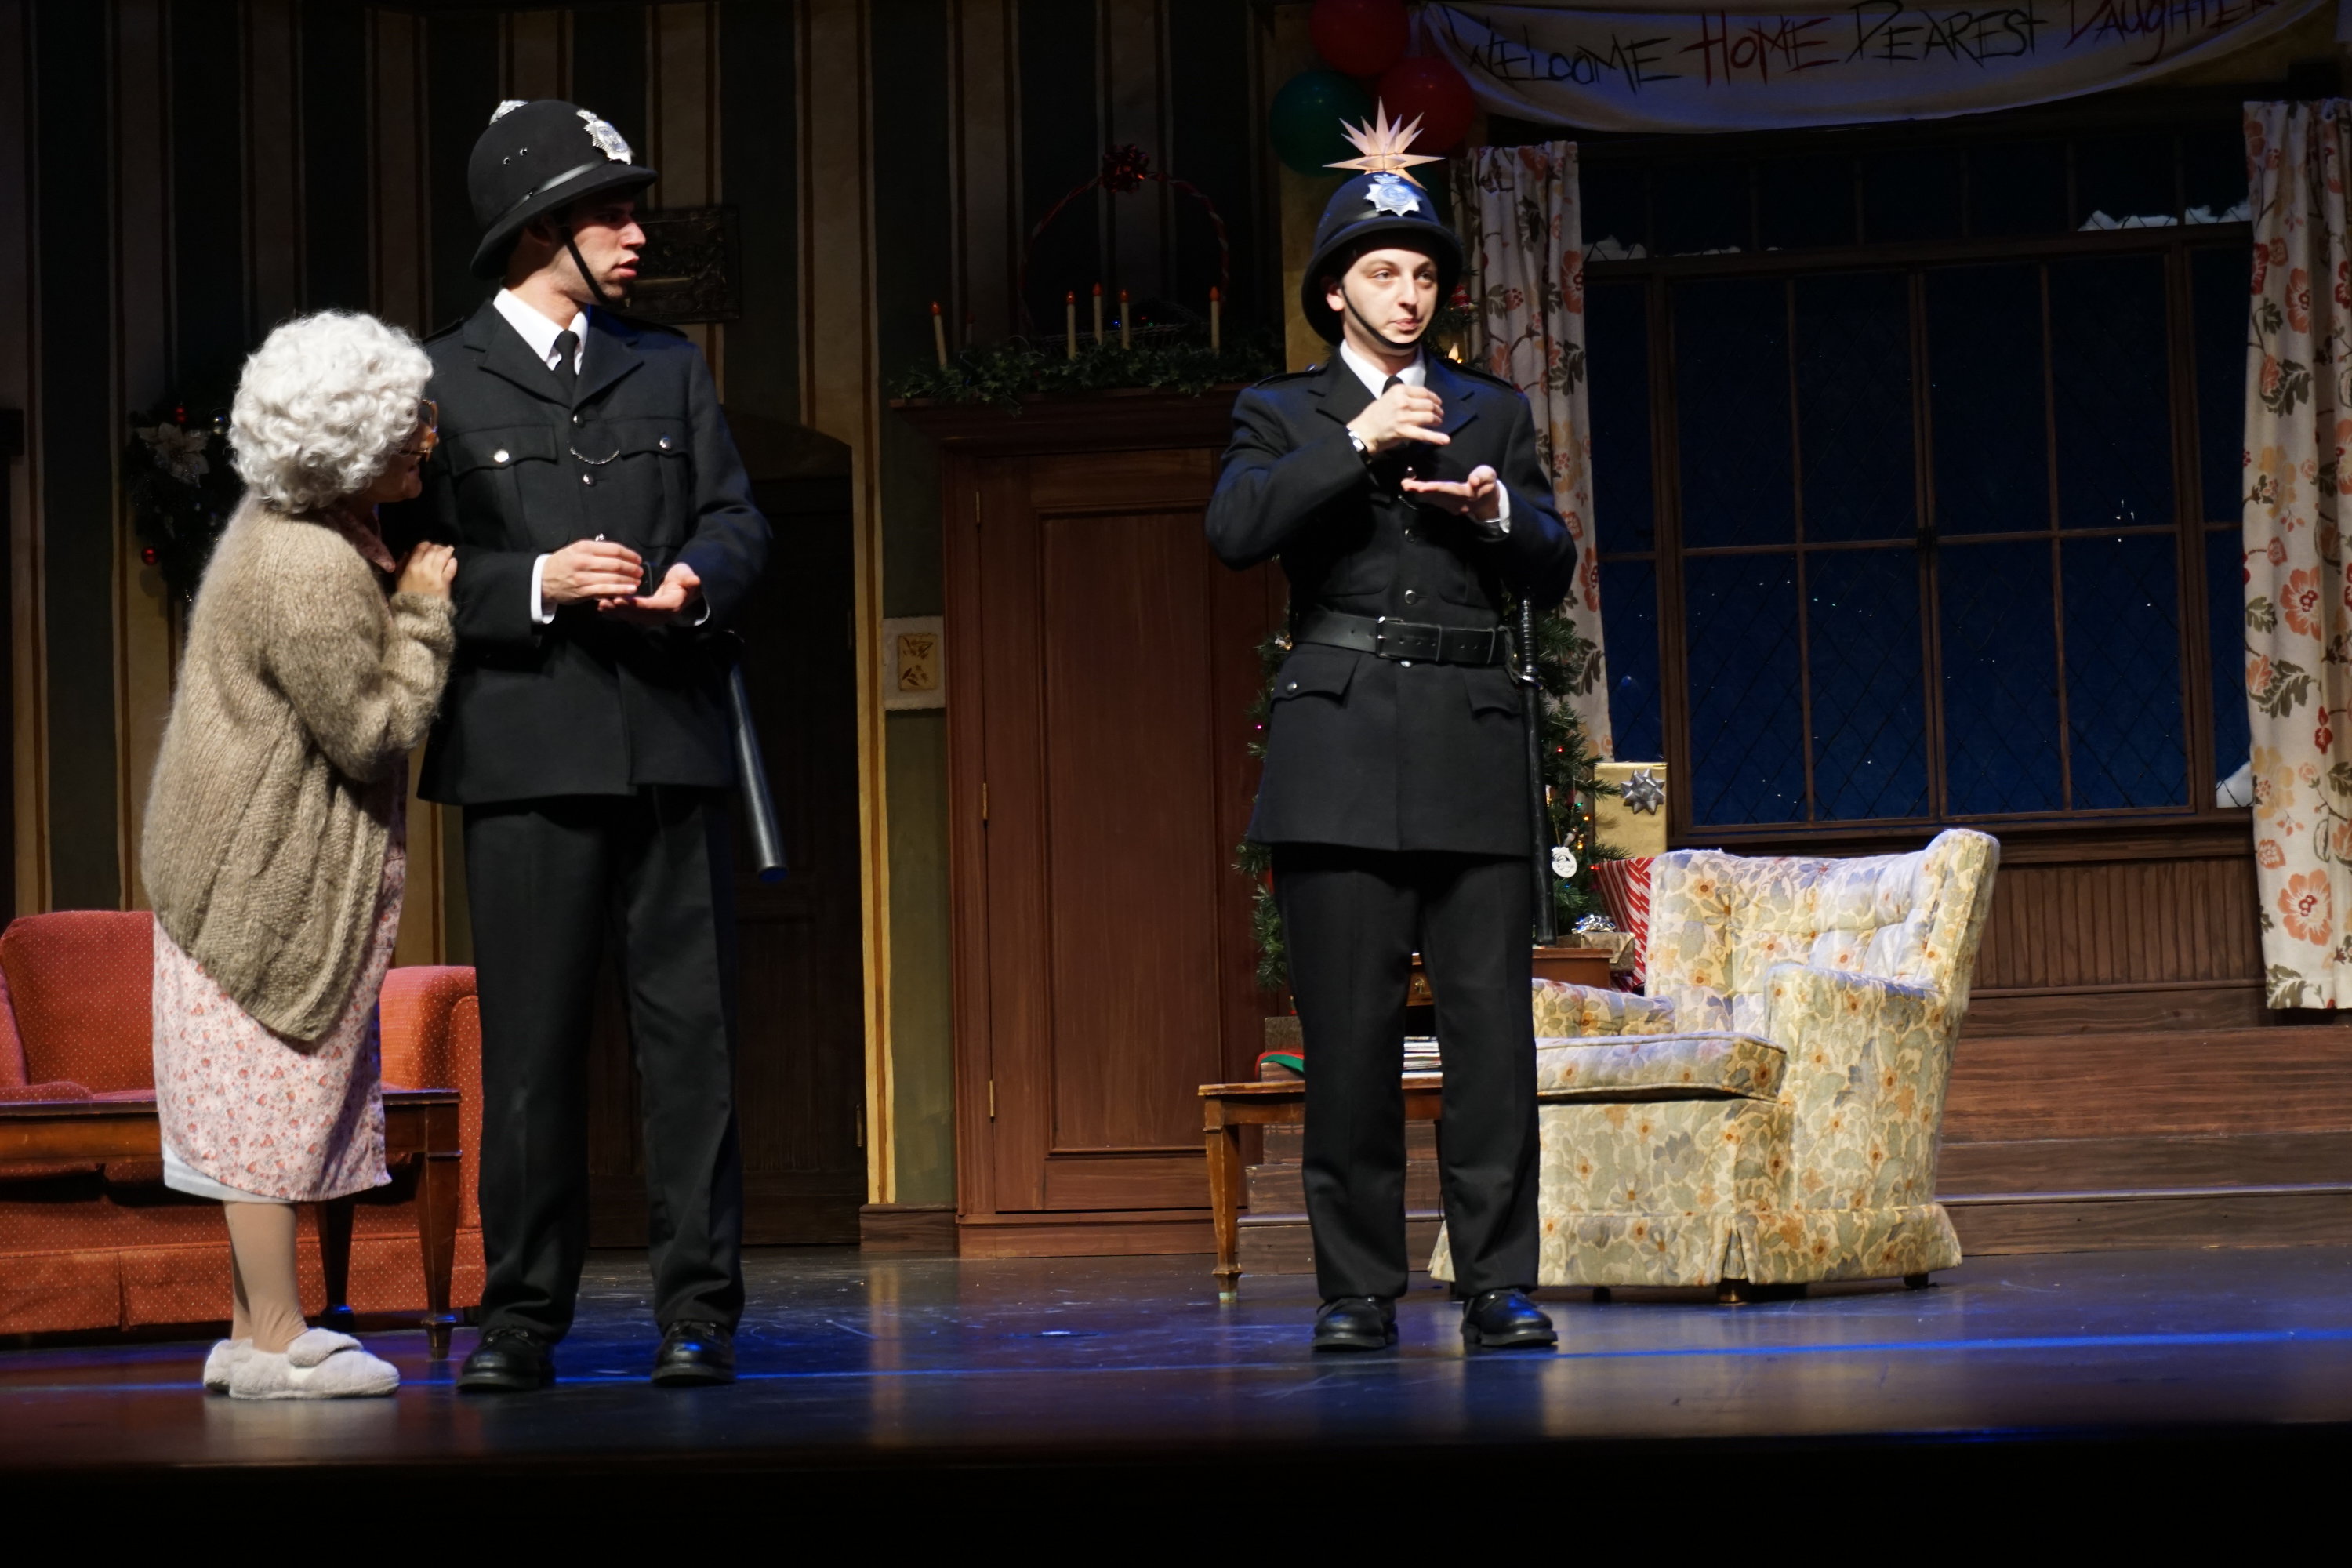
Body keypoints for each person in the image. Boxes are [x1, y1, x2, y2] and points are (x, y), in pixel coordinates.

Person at [393, 99, 770, 1392]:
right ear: (533, 224)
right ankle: (520, 1318)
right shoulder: (436, 379)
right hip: (525, 748)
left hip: (669, 737)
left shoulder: (667, 367)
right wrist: (538, 582)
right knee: (533, 1054)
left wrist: (695, 580)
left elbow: (736, 518)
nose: (635, 232)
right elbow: (407, 562)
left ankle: (699, 1312)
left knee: (692, 1047)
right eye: (608, 211)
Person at [1203, 149, 1574, 1352]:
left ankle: (1497, 1282)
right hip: (1341, 744)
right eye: (1382, 274)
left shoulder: (1491, 409)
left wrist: (1499, 512)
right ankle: (1356, 1292)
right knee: (1352, 1040)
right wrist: (1357, 440)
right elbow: (1235, 529)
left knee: (1489, 1036)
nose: (1408, 295)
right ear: (1335, 292)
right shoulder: (1282, 412)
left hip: (1472, 737)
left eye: (1422, 274)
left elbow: (1554, 562)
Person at [143, 310, 457, 1399]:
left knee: (265, 1102)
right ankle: (276, 1339)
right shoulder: (307, 562)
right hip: (257, 887)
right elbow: (370, 729)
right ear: (351, 443)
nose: (428, 436)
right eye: (408, 422)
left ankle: (254, 1334)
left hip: (236, 874)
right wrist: (423, 616)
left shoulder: (294, 530)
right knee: (264, 1110)